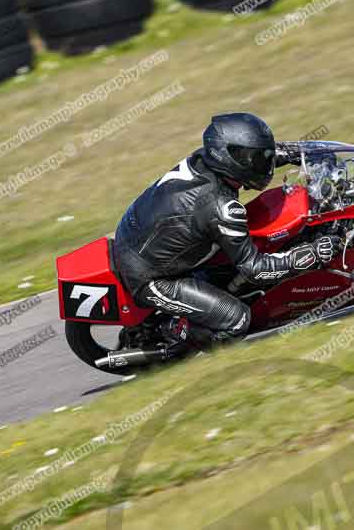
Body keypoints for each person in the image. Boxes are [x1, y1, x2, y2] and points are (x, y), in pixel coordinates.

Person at [113, 113, 341, 357]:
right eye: (252, 158)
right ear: (229, 158)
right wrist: (309, 255)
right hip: (149, 276)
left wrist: (296, 153)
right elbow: (255, 269)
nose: (260, 163)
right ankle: (173, 332)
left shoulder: (203, 158)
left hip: (140, 234)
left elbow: (256, 157)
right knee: (237, 320)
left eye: (258, 155)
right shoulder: (221, 208)